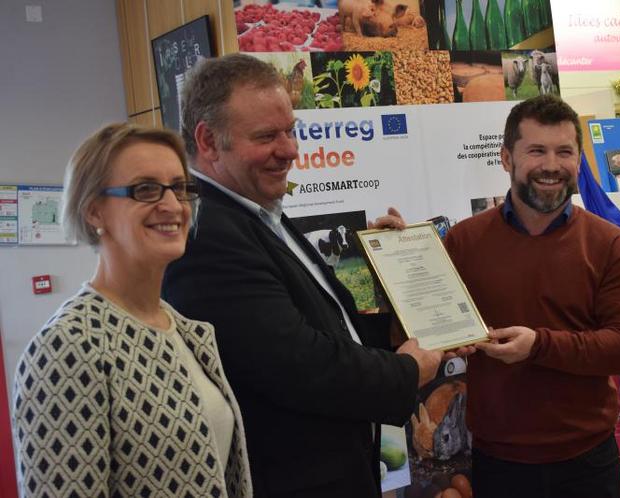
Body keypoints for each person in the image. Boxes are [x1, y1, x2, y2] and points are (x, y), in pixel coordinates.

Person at [162, 53, 443, 498]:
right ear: (209, 141)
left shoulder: (256, 212)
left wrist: (387, 324)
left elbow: (323, 325)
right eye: (267, 136)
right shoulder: (206, 232)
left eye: (291, 130)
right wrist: (407, 372)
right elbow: (297, 364)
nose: (291, 149)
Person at [12, 123, 252, 498]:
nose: (173, 205)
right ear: (94, 211)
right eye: (145, 189)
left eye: (179, 187)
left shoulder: (186, 330)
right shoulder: (68, 347)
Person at [443, 95, 620, 498]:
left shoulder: (609, 243)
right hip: (498, 467)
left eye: (564, 152)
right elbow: (431, 326)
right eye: (536, 150)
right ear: (506, 158)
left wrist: (539, 345)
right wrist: (406, 254)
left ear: (579, 160)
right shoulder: (463, 241)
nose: (552, 166)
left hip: (587, 466)